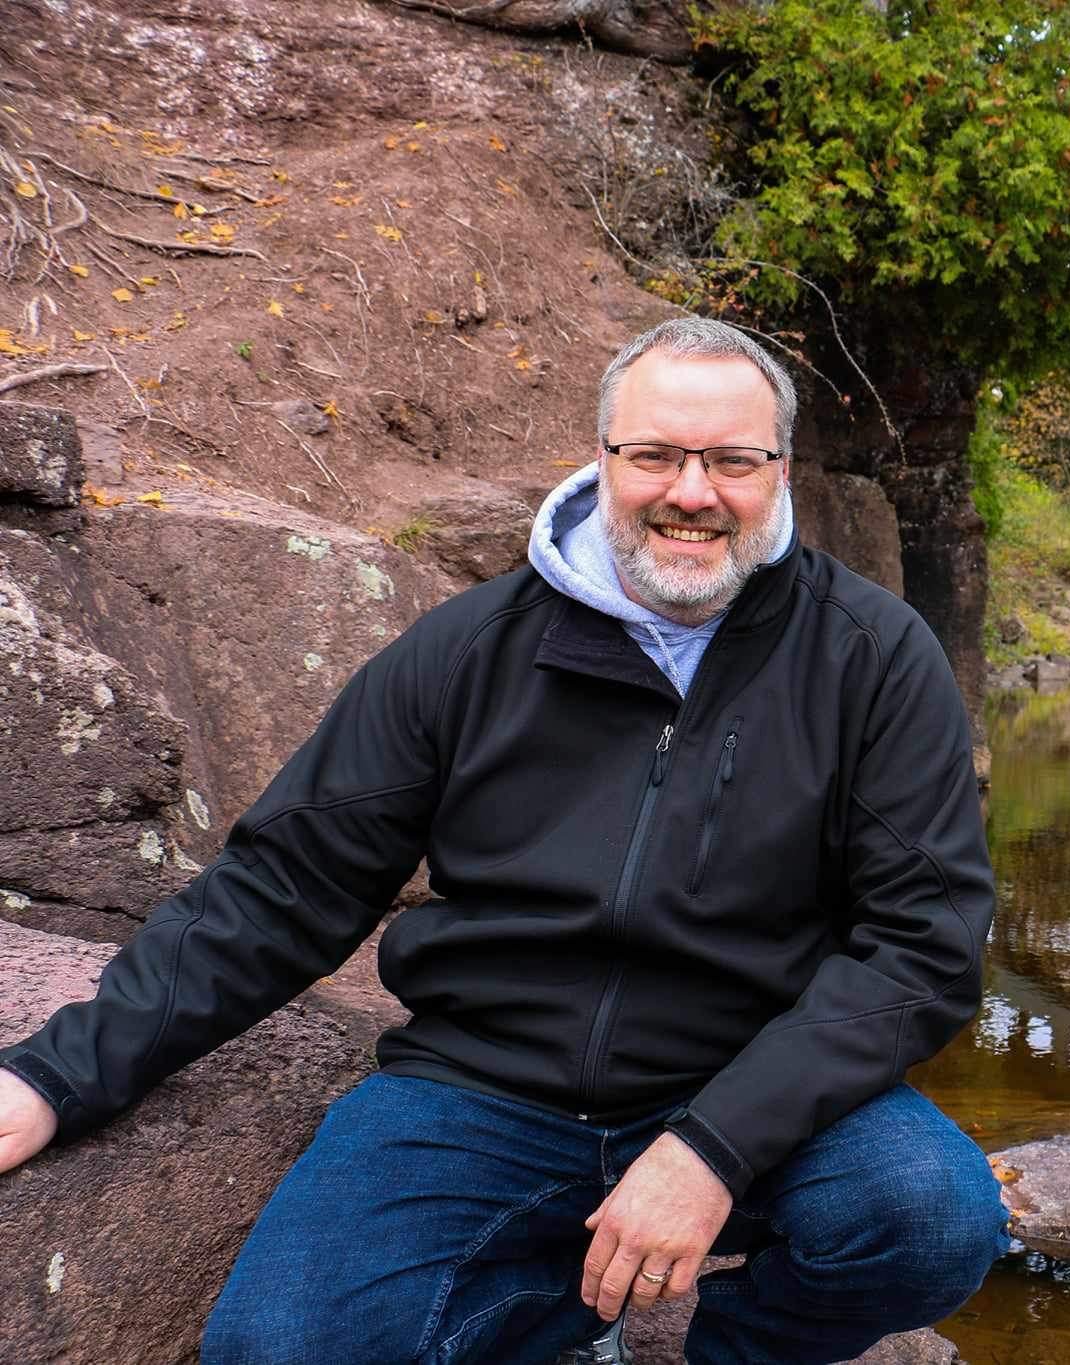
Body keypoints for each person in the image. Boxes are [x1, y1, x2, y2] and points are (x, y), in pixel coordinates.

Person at [0, 315, 1009, 1364]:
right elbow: (281, 890)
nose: (692, 492)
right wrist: (55, 1078)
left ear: (780, 470)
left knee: (928, 1215)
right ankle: (560, 1321)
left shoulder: (873, 658)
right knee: (278, 1347)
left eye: (731, 461)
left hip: (753, 1088)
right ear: (605, 459)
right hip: (481, 1091)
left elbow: (921, 947)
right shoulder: (469, 650)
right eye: (655, 454)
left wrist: (710, 1148)